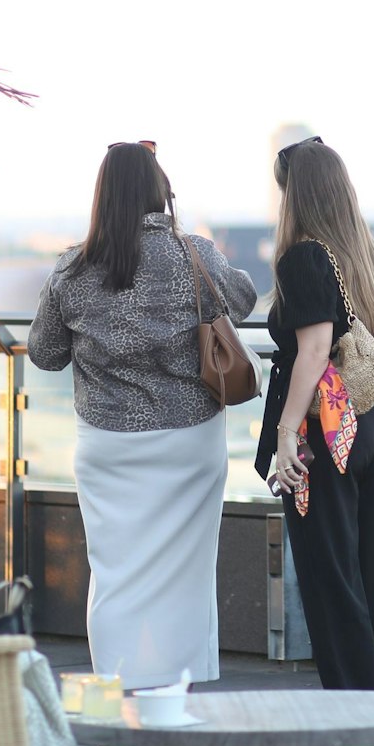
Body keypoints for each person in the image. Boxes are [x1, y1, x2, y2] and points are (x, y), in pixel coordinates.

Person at [28, 140, 256, 689]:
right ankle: (182, 693)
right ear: (161, 193)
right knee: (188, 574)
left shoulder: (74, 268)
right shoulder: (192, 255)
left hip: (108, 444)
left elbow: (45, 353)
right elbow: (244, 300)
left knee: (115, 575)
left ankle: (117, 691)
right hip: (190, 440)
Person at [257, 136, 374, 698]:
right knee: (372, 573)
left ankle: (355, 720)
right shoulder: (372, 256)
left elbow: (315, 352)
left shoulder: (303, 259)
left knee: (331, 579)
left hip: (327, 428)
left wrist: (287, 433)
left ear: (295, 196)